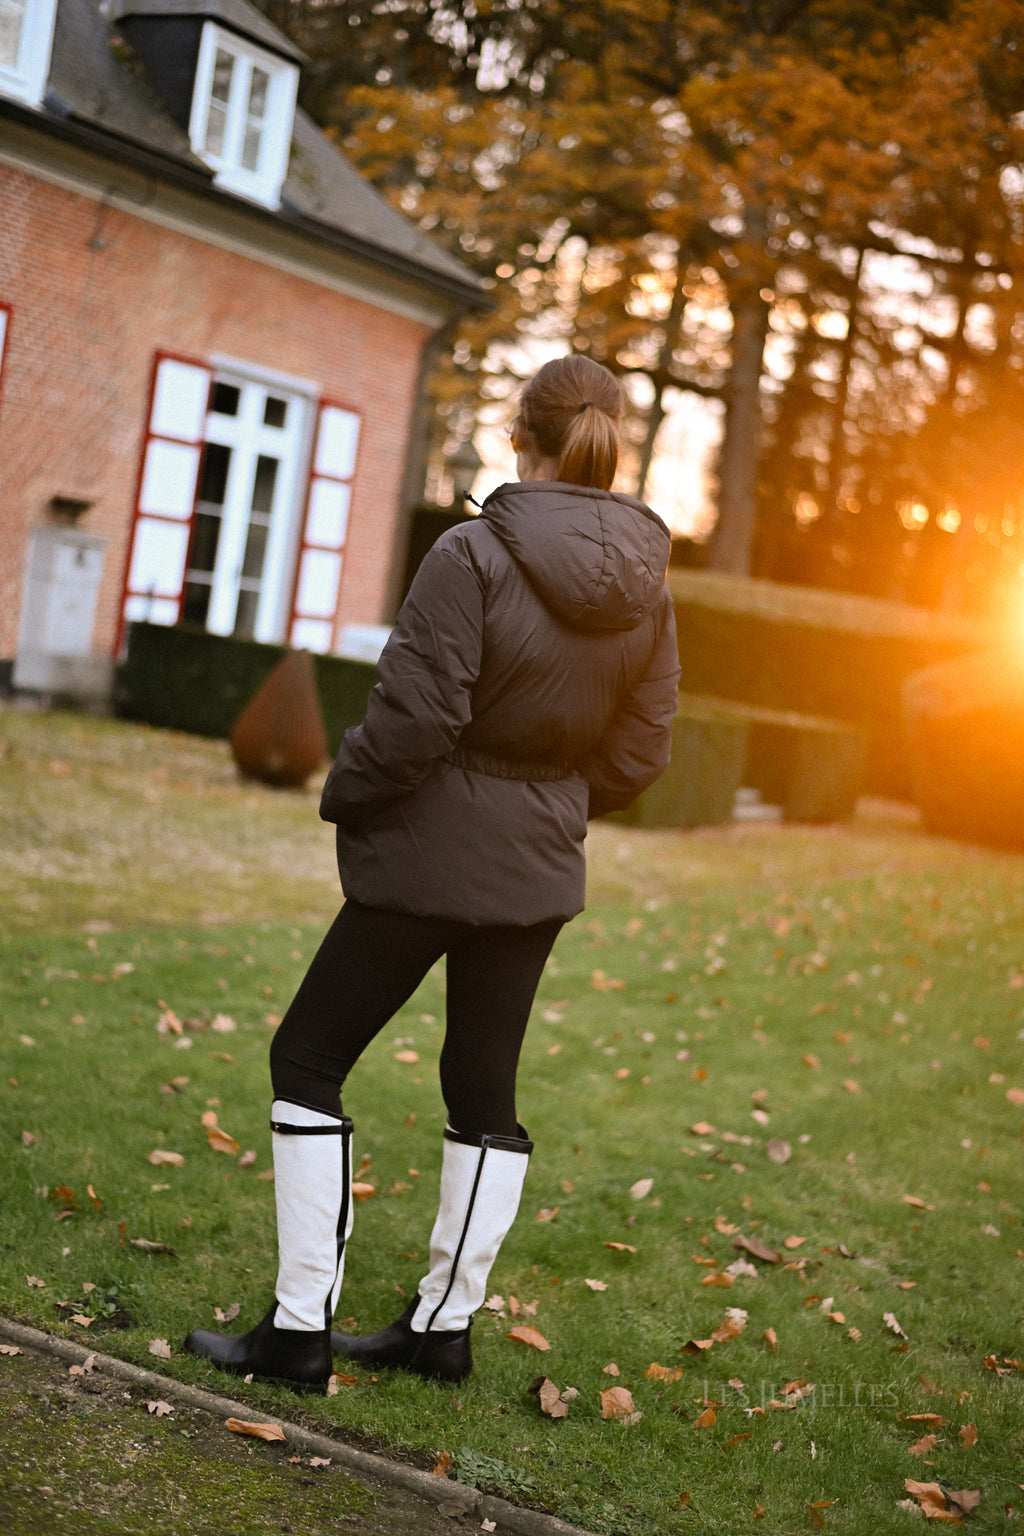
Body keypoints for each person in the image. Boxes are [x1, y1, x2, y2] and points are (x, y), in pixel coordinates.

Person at [183, 353, 681, 1393]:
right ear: (608, 444)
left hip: (426, 850)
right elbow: (637, 758)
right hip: (535, 863)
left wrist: (345, 795)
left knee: (308, 1059)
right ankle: (442, 1330)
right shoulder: (647, 585)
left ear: (520, 439)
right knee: (482, 1088)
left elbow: (413, 721)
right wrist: (543, 803)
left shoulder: (470, 553)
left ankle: (297, 1331)